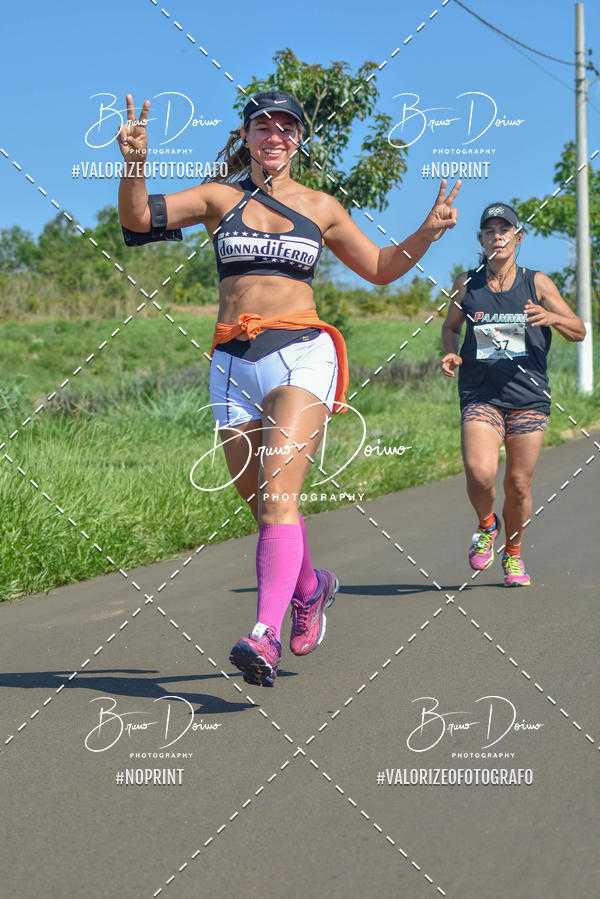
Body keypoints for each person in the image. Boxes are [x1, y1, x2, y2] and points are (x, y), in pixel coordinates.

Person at [118, 89, 460, 685]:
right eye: (263, 126)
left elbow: (379, 268)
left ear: (300, 139)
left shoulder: (321, 206)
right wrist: (135, 163)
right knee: (261, 505)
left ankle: (263, 635)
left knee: (278, 499)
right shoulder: (218, 197)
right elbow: (137, 219)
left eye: (287, 128)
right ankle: (310, 587)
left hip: (301, 355)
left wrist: (426, 232)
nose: (275, 136)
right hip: (232, 359)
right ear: (246, 135)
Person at [441, 202, 586, 587]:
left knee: (518, 484)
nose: (498, 236)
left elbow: (579, 330)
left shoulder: (537, 283)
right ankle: (488, 525)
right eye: (490, 231)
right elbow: (451, 327)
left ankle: (514, 553)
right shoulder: (465, 284)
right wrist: (450, 351)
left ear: (518, 238)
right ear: (481, 239)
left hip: (528, 397)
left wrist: (552, 317)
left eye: (505, 230)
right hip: (480, 394)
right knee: (479, 472)